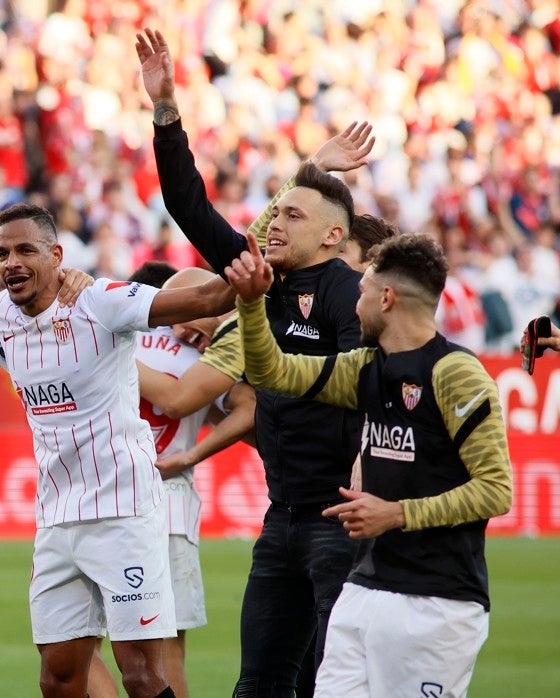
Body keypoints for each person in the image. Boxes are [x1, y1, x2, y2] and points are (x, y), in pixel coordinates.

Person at [139, 28, 375, 695]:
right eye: (275, 215)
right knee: (260, 685)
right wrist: (165, 111)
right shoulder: (260, 278)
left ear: (333, 235)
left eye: (291, 215)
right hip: (283, 518)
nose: (273, 224)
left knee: (335, 685)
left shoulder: (347, 295)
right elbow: (187, 204)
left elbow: (362, 387)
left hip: (341, 517)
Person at [226, 232, 512, 697]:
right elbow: (271, 372)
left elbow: (496, 490)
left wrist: (397, 513)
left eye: (360, 293)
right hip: (364, 590)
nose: (353, 304)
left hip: (437, 598)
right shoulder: (363, 367)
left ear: (387, 297)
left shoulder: (456, 371)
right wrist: (251, 304)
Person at [0, 202, 234, 698]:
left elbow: (206, 297)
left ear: (56, 255)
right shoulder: (3, 317)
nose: (11, 261)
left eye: (25, 249)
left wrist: (246, 266)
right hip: (55, 518)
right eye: (2, 252)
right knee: (58, 679)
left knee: (140, 675)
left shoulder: (102, 301)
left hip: (125, 511)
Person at [133, 267, 256, 698]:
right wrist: (191, 452)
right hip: (170, 503)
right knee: (167, 648)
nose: (182, 333)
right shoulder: (204, 359)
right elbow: (248, 411)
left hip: (108, 496)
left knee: (88, 640)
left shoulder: (114, 341)